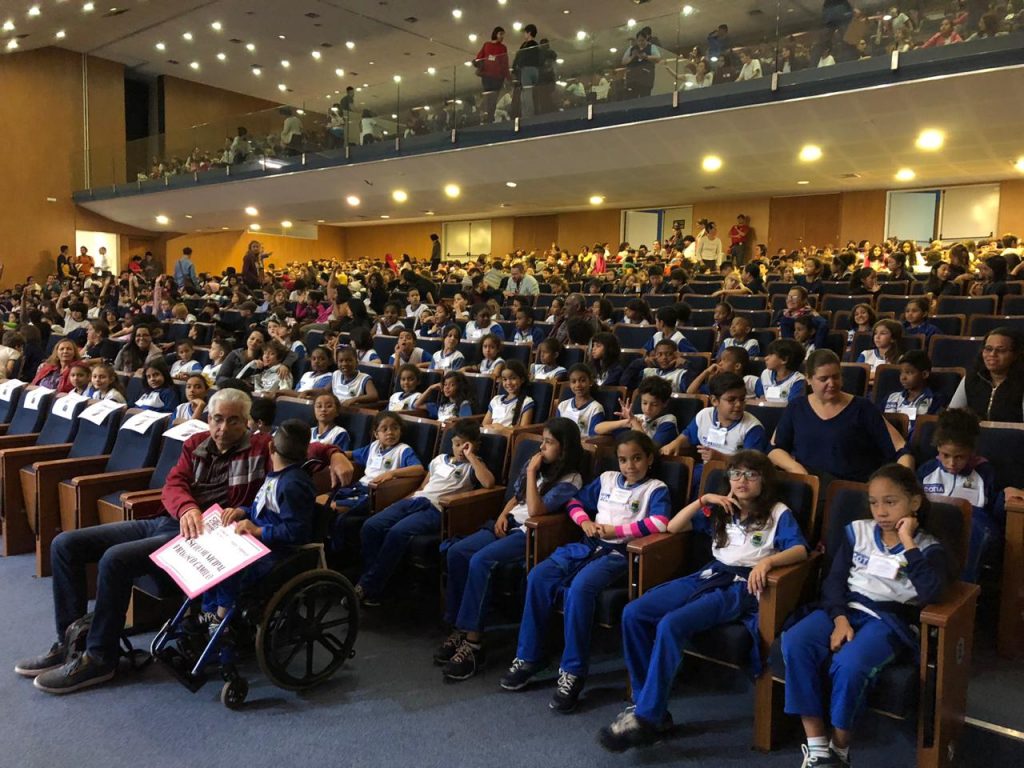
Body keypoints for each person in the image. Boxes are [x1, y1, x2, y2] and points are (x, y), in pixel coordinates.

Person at [17, 388, 352, 693]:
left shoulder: (261, 446)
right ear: (209, 419)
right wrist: (187, 507)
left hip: (202, 537)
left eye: (233, 421)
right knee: (65, 544)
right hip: (169, 520)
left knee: (115, 559)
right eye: (217, 419)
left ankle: (100, 659)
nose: (222, 428)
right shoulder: (196, 444)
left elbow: (303, 448)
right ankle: (71, 642)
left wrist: (336, 453)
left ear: (247, 422)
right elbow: (174, 483)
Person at [600, 450, 808, 751]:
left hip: (740, 586)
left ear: (764, 480)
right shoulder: (721, 508)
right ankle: (648, 705)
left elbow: (800, 550)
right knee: (634, 612)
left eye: (751, 474)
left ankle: (647, 717)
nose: (742, 480)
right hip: (709, 574)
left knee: (672, 624)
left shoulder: (777, 512)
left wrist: (767, 563)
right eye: (736, 474)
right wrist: (703, 500)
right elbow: (673, 527)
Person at [782, 464, 952, 768]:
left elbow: (932, 594)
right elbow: (834, 581)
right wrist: (840, 619)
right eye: (874, 503)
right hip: (846, 608)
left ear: (914, 502)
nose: (881, 511)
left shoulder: (928, 547)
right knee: (796, 641)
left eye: (890, 502)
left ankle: (839, 749)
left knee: (850, 664)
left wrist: (908, 542)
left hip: (889, 619)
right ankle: (817, 745)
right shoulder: (857, 531)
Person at [499, 430, 670, 712]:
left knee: (579, 589)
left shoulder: (655, 488)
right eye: (623, 460)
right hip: (587, 544)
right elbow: (574, 502)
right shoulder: (607, 479)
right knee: (538, 576)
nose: (630, 466)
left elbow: (660, 522)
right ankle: (529, 656)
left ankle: (573, 671)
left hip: (620, 553)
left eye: (637, 458)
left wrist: (617, 531)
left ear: (649, 459)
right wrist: (584, 523)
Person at [437, 418, 583, 680]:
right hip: (510, 521)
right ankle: (459, 626)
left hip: (529, 532)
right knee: (457, 551)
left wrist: (532, 472)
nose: (542, 447)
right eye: (542, 441)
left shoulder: (571, 479)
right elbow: (517, 497)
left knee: (480, 561)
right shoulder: (538, 465)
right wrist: (503, 514)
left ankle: (473, 644)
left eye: (549, 443)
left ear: (564, 448)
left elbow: (536, 510)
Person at [356, 419, 495, 605]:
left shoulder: (473, 466)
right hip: (417, 500)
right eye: (457, 444)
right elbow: (424, 486)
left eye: (466, 445)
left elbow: (488, 483)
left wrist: (471, 456)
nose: (461, 449)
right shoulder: (439, 460)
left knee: (397, 532)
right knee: (371, 525)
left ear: (476, 445)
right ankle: (374, 580)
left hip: (436, 509)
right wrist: (405, 500)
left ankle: (368, 587)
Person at [201, 419, 319, 626]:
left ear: (271, 447)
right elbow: (263, 509)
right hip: (258, 542)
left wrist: (258, 530)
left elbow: (296, 531)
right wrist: (242, 511)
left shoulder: (292, 484)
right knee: (212, 558)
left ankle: (220, 621)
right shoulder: (278, 476)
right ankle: (208, 612)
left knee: (229, 569)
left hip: (278, 552)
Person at [770, 350, 909, 486]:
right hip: (808, 485)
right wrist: (796, 468)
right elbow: (775, 450)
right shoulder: (796, 407)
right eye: (823, 379)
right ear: (808, 379)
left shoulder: (863, 408)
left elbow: (900, 448)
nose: (831, 383)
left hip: (851, 488)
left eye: (836, 377)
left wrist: (900, 484)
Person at [917, 408, 1000, 584]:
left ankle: (963, 586)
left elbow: (991, 509)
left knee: (972, 533)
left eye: (960, 457)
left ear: (971, 452)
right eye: (946, 455)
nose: (952, 463)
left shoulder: (984, 471)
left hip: (974, 520)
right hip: (936, 517)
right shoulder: (927, 470)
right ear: (938, 448)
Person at [948, 327, 1024, 422]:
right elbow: (951, 418)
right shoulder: (971, 379)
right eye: (988, 349)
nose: (992, 354)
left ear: (1015, 355)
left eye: (1001, 350)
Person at [595, 376, 678, 448]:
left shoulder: (668, 420)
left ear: (665, 403)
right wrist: (624, 422)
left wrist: (634, 422)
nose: (648, 408)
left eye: (654, 404)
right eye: (644, 403)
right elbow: (598, 429)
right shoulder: (638, 417)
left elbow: (651, 447)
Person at [555, 363, 606, 436]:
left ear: (590, 381)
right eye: (573, 381)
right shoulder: (562, 405)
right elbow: (557, 431)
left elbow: (593, 437)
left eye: (582, 380)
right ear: (570, 384)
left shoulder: (595, 408)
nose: (578, 385)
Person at [484, 360, 534, 429]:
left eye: (513, 378)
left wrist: (503, 429)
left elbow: (522, 430)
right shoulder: (496, 399)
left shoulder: (526, 402)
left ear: (522, 379)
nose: (508, 383)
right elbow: (485, 424)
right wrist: (493, 428)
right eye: (505, 379)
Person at [475, 27, 511, 123]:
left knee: (493, 99)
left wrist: (508, 77)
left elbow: (505, 63)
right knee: (488, 98)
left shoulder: (503, 47)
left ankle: (490, 118)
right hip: (487, 76)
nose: (502, 37)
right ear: (495, 34)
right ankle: (488, 117)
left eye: (503, 35)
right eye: (500, 34)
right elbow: (479, 57)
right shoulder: (487, 45)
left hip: (497, 78)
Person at [512, 24, 542, 119]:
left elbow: (520, 58)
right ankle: (533, 114)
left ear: (529, 33)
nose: (524, 34)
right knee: (531, 94)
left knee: (526, 94)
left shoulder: (526, 46)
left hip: (526, 70)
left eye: (525, 32)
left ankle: (528, 117)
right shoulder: (536, 45)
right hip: (535, 70)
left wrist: (515, 68)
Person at [622, 28, 661, 99]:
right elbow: (623, 61)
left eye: (642, 40)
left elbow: (658, 58)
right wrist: (632, 56)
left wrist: (646, 57)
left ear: (646, 39)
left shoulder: (651, 47)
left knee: (645, 99)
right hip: (632, 80)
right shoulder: (631, 48)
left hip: (646, 80)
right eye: (639, 41)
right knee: (631, 100)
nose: (640, 43)